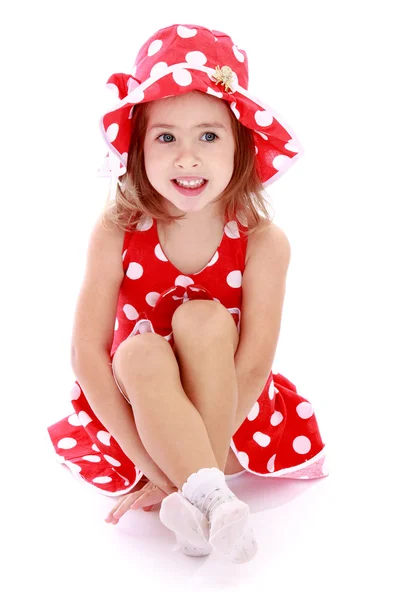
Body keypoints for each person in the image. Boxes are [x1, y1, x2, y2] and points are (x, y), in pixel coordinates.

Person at [47, 23, 328, 563]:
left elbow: (251, 368)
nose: (187, 157)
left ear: (240, 143)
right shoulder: (117, 230)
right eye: (166, 137)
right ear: (137, 146)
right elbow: (87, 354)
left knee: (204, 319)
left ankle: (195, 493)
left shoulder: (263, 243)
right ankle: (209, 499)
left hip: (230, 417)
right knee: (136, 349)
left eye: (208, 135)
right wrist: (156, 468)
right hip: (139, 414)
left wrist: (191, 462)